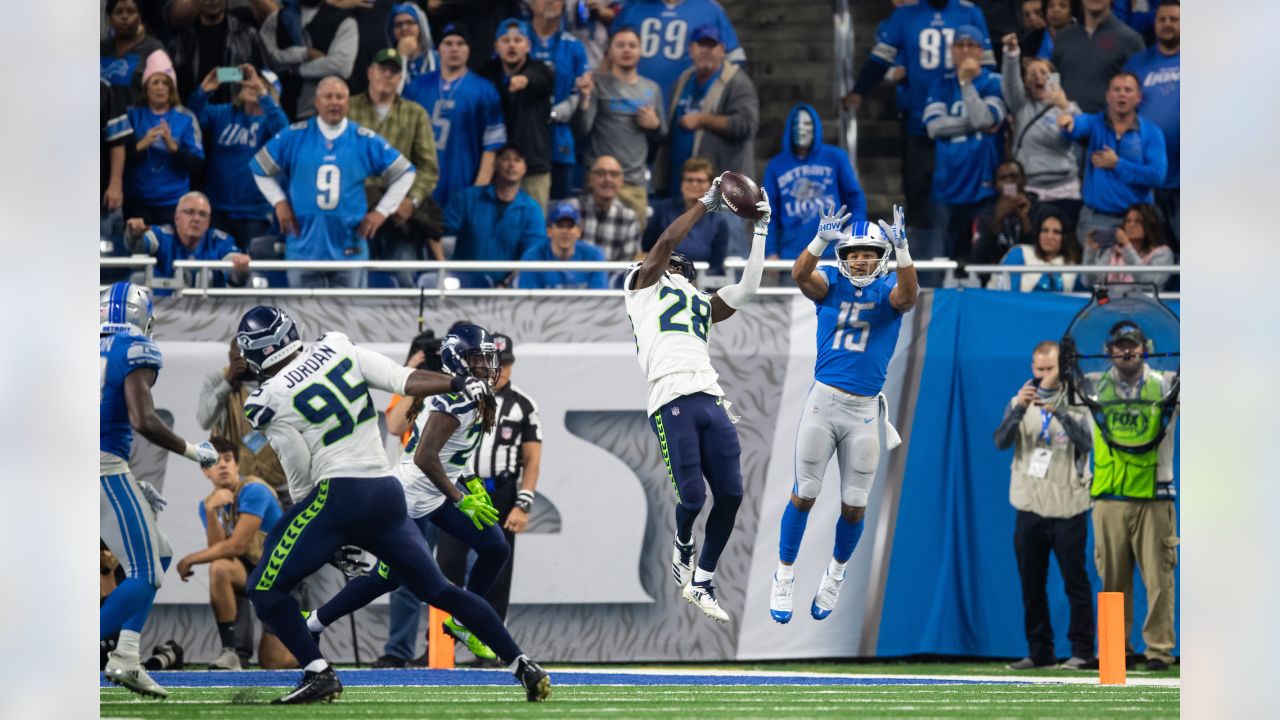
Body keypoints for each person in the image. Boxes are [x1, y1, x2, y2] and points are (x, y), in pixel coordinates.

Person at [234, 306, 550, 703]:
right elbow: (403, 380)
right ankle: (522, 665)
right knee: (436, 587)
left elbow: (296, 467)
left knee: (264, 588)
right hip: (387, 492)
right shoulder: (336, 346)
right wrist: (457, 383)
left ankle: (318, 671)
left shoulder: (267, 398)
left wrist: (314, 520)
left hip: (339, 494)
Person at [305, 325, 516, 666]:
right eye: (477, 358)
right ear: (457, 360)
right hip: (410, 498)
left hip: (436, 491)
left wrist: (471, 482)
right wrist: (460, 497)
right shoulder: (453, 401)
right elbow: (424, 457)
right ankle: (314, 621)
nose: (486, 365)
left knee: (494, 546)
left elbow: (454, 454)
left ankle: (463, 623)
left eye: (486, 358)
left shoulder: (475, 395)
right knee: (389, 577)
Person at [625, 175, 771, 624]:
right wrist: (705, 205)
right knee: (692, 498)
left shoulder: (699, 303)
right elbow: (667, 240)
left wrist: (760, 229)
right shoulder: (643, 291)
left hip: (709, 394)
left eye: (677, 267)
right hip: (670, 396)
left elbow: (747, 290)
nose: (670, 266)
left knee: (730, 493)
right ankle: (683, 541)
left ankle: (703, 580)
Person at [768, 204, 917, 623]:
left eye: (869, 251)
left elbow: (908, 296)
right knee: (806, 493)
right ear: (843, 255)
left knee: (854, 503)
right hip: (825, 400)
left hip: (865, 409)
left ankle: (835, 573)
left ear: (882, 255)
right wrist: (818, 240)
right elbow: (800, 275)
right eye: (853, 253)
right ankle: (784, 575)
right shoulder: (830, 282)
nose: (861, 259)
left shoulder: (891, 287)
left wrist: (903, 252)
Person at [100, 282, 220, 699]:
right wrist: (192, 451)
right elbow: (142, 419)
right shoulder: (133, 345)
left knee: (161, 549)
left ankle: (126, 657)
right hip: (102, 465)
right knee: (148, 571)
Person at [847, 0, 994, 251]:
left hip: (966, 127)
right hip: (919, 122)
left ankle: (967, 264)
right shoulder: (905, 15)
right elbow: (880, 59)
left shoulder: (970, 13)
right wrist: (860, 90)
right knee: (919, 195)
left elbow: (988, 67)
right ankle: (925, 264)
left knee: (967, 199)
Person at [250, 76, 417, 289]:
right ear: (317, 102)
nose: (334, 102)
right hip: (304, 248)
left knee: (348, 319)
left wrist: (382, 212)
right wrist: (279, 201)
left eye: (340, 97)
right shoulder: (294, 135)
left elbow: (405, 172)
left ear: (348, 103)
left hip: (350, 249)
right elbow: (259, 168)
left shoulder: (363, 139)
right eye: (328, 97)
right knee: (304, 317)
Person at [993, 341, 1094, 670]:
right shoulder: (1019, 401)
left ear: (1063, 368)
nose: (1043, 375)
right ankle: (1040, 652)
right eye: (1039, 369)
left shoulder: (1080, 402)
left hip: (1069, 506)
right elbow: (1001, 441)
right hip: (1029, 505)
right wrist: (1021, 408)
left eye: (1050, 369)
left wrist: (1059, 411)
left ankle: (1082, 651)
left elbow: (1087, 443)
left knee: (1075, 583)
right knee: (1031, 584)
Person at [1085, 321, 1179, 672]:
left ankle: (1158, 651)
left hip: (1155, 495)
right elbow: (1058, 401)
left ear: (1145, 348)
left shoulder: (1168, 383)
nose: (1127, 351)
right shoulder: (1091, 384)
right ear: (1109, 351)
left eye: (1133, 345)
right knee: (1111, 580)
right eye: (1120, 345)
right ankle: (1113, 652)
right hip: (1109, 496)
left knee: (1159, 579)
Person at [438, 332, 543, 627]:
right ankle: (440, 641)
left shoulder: (523, 404)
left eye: (506, 363)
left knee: (497, 568)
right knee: (447, 561)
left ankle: (490, 642)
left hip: (500, 491)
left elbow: (533, 458)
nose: (501, 369)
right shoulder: (461, 394)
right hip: (460, 489)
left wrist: (523, 503)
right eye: (496, 361)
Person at [174, 438, 292, 671]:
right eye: (214, 462)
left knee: (274, 662)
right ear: (205, 471)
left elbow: (236, 546)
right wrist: (210, 511)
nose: (223, 466)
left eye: (228, 459)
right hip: (248, 573)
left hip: (281, 576)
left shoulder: (254, 490)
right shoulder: (207, 504)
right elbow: (217, 551)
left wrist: (189, 560)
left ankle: (308, 651)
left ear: (237, 465)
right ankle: (231, 652)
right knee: (219, 567)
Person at [348, 49, 442, 288]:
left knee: (403, 279)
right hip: (356, 211)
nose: (387, 76)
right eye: (382, 69)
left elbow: (429, 167)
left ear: (400, 78)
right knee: (352, 279)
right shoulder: (347, 109)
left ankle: (406, 325)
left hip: (401, 213)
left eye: (393, 72)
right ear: (370, 72)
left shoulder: (415, 113)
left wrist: (412, 200)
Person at [403, 24, 507, 225]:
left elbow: (491, 148)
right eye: (448, 43)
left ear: (468, 50)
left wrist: (476, 193)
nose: (454, 48)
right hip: (420, 188)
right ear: (438, 49)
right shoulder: (417, 86)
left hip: (463, 184)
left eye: (460, 44)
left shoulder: (485, 90)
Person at [923, 25, 1007, 269]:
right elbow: (934, 128)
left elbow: (985, 120)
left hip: (984, 185)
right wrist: (976, 124)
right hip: (947, 184)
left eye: (972, 45)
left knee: (981, 260)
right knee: (946, 262)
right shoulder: (939, 84)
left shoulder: (994, 82)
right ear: (952, 50)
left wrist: (966, 84)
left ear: (982, 51)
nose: (966, 50)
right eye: (960, 45)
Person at [1058, 72, 1166, 249]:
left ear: (1138, 97)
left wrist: (1117, 164)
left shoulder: (1152, 133)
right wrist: (1068, 122)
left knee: (1133, 274)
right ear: (1107, 96)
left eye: (1128, 90)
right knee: (1101, 273)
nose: (1122, 94)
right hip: (1098, 220)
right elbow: (1078, 125)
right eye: (1116, 89)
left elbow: (1156, 176)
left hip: (1137, 223)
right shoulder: (1094, 124)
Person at [186, 64, 290, 250]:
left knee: (250, 272)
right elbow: (190, 119)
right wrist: (203, 92)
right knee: (215, 267)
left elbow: (284, 135)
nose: (251, 86)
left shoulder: (271, 121)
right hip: (217, 209)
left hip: (255, 213)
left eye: (259, 84)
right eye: (247, 83)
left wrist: (263, 97)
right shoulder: (222, 113)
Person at [655, 24, 759, 200]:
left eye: (711, 45)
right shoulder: (683, 80)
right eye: (701, 44)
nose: (706, 50)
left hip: (724, 192)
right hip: (680, 186)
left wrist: (703, 120)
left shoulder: (737, 82)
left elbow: (747, 125)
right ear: (691, 50)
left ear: (722, 50)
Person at [574, 27, 668, 224]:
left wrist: (655, 125)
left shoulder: (652, 89)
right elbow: (582, 129)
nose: (627, 50)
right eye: (620, 45)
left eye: (632, 45)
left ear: (641, 51)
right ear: (609, 51)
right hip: (598, 181)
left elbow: (663, 134)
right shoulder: (597, 84)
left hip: (635, 183)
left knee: (632, 252)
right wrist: (584, 100)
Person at [762, 104, 867, 260]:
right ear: (789, 128)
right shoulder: (775, 165)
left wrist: (855, 232)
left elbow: (855, 199)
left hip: (835, 254)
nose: (801, 129)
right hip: (792, 256)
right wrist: (770, 250)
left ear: (816, 127)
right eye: (796, 124)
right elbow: (768, 213)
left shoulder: (836, 157)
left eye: (807, 124)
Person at [197, 337, 291, 506]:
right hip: (240, 485)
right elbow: (204, 420)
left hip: (282, 483)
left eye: (247, 355)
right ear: (229, 356)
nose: (242, 359)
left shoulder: (279, 378)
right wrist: (228, 382)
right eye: (237, 355)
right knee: (241, 532)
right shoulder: (218, 378)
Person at [1000, 34, 1082, 225]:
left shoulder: (1068, 107)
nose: (1038, 77)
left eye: (1044, 72)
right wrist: (1012, 54)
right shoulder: (1021, 107)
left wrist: (1064, 106)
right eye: (1031, 73)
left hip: (1065, 190)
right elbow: (1010, 84)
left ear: (1054, 78)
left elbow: (1082, 134)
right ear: (1025, 83)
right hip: (1031, 190)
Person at [443, 143, 547, 288]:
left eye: (518, 160)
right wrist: (442, 268)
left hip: (506, 292)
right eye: (505, 159)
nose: (511, 165)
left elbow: (532, 256)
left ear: (524, 168)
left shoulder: (532, 209)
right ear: (495, 164)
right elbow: (436, 231)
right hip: (461, 287)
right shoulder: (468, 198)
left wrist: (506, 283)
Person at [613, 0, 745, 107]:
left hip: (687, 103)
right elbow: (608, 54)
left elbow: (734, 58)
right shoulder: (633, 7)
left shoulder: (710, 9)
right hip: (634, 102)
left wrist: (718, 95)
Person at [124, 53, 205, 227]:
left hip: (173, 203)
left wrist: (174, 148)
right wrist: (141, 144)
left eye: (165, 83)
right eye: (155, 82)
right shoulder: (132, 115)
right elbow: (118, 157)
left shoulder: (186, 117)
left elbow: (197, 164)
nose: (160, 87)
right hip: (137, 202)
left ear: (172, 89)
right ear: (146, 88)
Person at [1123, 0, 1179, 250]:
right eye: (1162, 19)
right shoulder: (1138, 64)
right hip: (1150, 176)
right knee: (1155, 247)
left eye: (1174, 20)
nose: (1168, 24)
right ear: (1154, 23)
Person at [483, 19, 556, 210]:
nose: (512, 45)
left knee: (533, 231)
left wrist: (524, 80)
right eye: (506, 40)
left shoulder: (541, 70)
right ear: (496, 46)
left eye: (518, 40)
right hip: (495, 169)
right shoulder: (487, 75)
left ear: (528, 45)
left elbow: (541, 78)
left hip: (533, 169)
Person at [123, 192, 251, 295]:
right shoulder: (162, 235)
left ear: (208, 222)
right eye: (190, 212)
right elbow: (138, 245)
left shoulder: (220, 241)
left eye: (202, 214)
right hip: (163, 314)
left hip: (210, 316)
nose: (196, 218)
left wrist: (239, 266)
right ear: (177, 218)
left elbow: (233, 269)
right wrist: (134, 235)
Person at [528, 0, 590, 202]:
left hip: (559, 140)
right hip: (523, 138)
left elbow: (580, 91)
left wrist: (553, 114)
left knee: (560, 211)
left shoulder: (574, 46)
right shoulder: (516, 38)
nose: (550, 1)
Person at [260, 0, 359, 119]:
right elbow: (267, 59)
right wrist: (304, 53)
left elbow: (342, 66)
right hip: (279, 110)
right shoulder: (276, 19)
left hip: (322, 114)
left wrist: (297, 70)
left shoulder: (344, 20)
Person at [1051, 0, 1144, 114]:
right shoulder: (1063, 38)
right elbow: (1052, 80)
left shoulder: (1130, 40)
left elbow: (1140, 92)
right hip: (1065, 124)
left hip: (1110, 128)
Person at [165, 0, 267, 102]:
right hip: (194, 113)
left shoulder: (248, 36)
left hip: (238, 113)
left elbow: (265, 77)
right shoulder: (180, 43)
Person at [643, 159, 732, 273]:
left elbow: (716, 266)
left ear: (710, 185)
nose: (694, 184)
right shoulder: (662, 211)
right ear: (681, 183)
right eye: (689, 180)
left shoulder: (719, 222)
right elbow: (647, 249)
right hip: (662, 278)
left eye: (700, 180)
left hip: (700, 283)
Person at [566, 155, 643, 262]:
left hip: (613, 278)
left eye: (614, 174)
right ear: (590, 179)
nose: (608, 179)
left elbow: (626, 266)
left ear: (621, 181)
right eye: (601, 173)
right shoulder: (572, 209)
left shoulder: (629, 218)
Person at [991, 206, 1084, 292]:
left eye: (1056, 232)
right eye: (1045, 230)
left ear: (1064, 237)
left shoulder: (1072, 268)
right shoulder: (1020, 253)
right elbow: (1006, 294)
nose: (1049, 236)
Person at [518, 202, 608, 289]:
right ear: (549, 231)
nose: (565, 232)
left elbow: (599, 300)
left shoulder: (595, 256)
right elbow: (529, 301)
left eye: (570, 226)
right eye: (560, 226)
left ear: (579, 232)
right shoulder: (532, 257)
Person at [1082, 203, 1174, 287]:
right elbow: (1090, 282)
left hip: (1146, 304)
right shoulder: (1113, 251)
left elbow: (1149, 282)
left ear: (1149, 225)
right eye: (1128, 221)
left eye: (1138, 221)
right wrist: (1090, 251)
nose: (1131, 225)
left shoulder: (1163, 253)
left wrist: (1127, 247)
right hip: (1112, 304)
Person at [971, 160, 1042, 265]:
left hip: (1032, 272)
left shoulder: (1039, 210)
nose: (1009, 181)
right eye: (1003, 178)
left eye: (1014, 177)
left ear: (1024, 180)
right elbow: (977, 259)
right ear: (996, 184)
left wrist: (1025, 220)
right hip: (997, 275)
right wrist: (997, 222)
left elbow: (1046, 253)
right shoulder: (986, 216)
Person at [101, 0, 168, 97]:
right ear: (110, 18)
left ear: (140, 17)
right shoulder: (102, 49)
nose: (124, 17)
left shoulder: (154, 50)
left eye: (131, 11)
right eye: (118, 12)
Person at [386, 2, 438, 85]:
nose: (404, 28)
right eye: (398, 24)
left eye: (409, 22)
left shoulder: (437, 60)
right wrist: (401, 57)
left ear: (420, 26)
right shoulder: (385, 62)